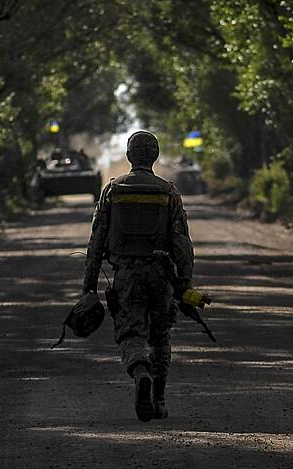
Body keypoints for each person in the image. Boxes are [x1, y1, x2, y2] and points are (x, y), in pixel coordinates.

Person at [82, 130, 194, 422]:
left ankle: (140, 371)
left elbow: (95, 242)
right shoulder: (168, 191)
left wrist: (89, 287)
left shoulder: (113, 191)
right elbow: (182, 243)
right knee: (160, 336)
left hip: (127, 276)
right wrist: (185, 283)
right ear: (154, 156)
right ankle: (158, 399)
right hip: (162, 276)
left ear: (131, 156)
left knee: (131, 334)